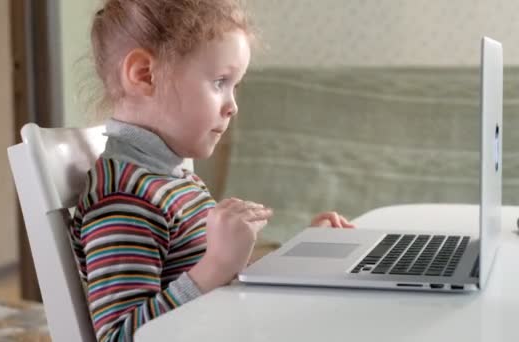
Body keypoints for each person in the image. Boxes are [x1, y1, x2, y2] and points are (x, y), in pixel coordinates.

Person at [70, 1, 354, 340]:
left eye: (234, 86)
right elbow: (119, 337)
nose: (233, 106)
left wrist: (300, 254)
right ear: (145, 75)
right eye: (220, 81)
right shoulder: (123, 199)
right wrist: (217, 265)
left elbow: (219, 292)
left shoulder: (170, 178)